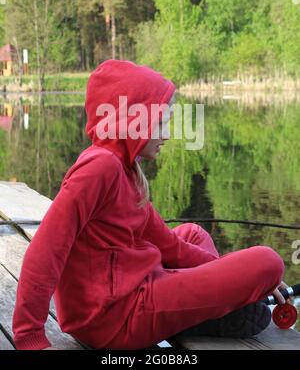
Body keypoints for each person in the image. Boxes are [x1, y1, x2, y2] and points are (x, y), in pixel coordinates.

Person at [12, 60, 285, 351]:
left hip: (130, 290)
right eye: (160, 123)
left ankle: (208, 309)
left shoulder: (124, 168)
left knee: (193, 233)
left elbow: (169, 246)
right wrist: (30, 336)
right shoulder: (99, 169)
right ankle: (209, 312)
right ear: (131, 121)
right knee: (269, 262)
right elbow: (46, 251)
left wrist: (235, 279)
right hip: (114, 318)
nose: (166, 134)